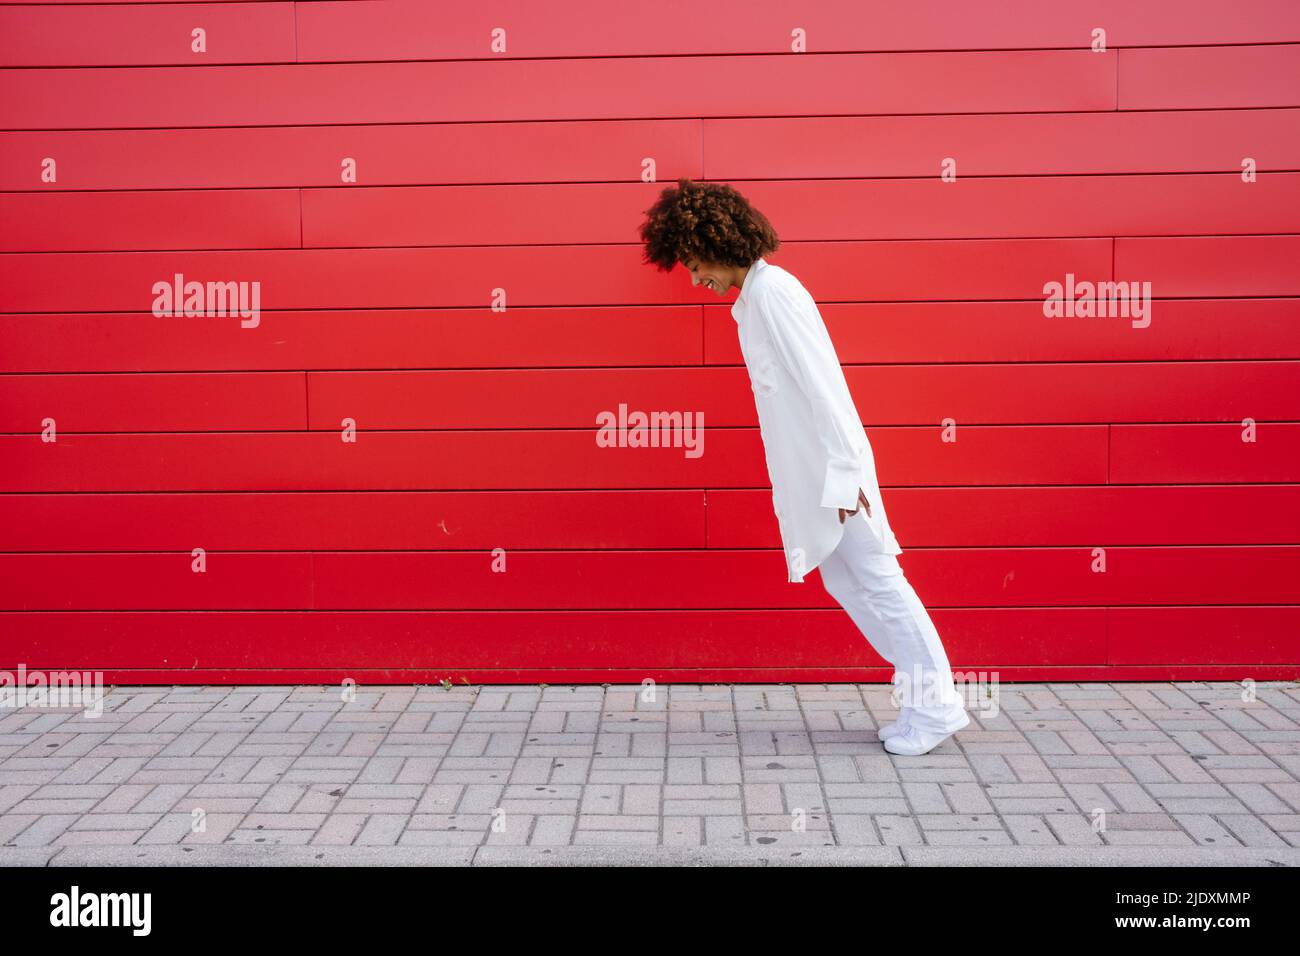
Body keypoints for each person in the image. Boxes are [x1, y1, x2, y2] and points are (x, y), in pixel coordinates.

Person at [639, 178, 970, 756]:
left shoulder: (774, 295)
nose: (696, 280)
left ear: (717, 243)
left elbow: (827, 391)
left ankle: (938, 706)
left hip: (836, 479)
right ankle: (921, 701)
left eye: (695, 265)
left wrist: (845, 478)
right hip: (821, 478)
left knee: (880, 583)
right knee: (851, 583)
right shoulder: (756, 299)